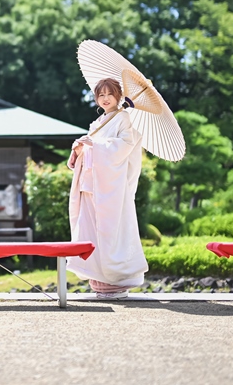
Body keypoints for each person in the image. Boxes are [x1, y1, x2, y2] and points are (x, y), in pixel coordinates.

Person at [66, 77, 148, 299]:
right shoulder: (97, 123)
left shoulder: (124, 119)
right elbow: (90, 151)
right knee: (91, 228)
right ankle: (98, 278)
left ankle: (116, 281)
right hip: (92, 184)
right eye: (100, 95)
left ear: (118, 96)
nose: (104, 99)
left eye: (109, 94)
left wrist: (97, 145)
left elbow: (126, 146)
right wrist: (78, 150)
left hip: (111, 187)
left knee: (111, 230)